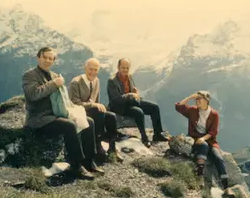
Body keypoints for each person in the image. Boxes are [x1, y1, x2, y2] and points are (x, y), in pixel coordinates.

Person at [22, 47, 104, 179]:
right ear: (38, 58)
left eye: (51, 58)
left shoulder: (55, 75)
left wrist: (75, 110)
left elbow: (63, 99)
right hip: (40, 119)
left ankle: (88, 161)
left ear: (53, 60)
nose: (48, 61)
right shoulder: (30, 75)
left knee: (89, 121)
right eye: (45, 57)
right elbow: (33, 95)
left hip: (56, 115)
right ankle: (76, 166)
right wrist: (54, 84)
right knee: (69, 125)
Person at [68, 57, 124, 162]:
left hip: (93, 111)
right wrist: (92, 105)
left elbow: (96, 100)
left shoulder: (96, 81)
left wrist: (96, 105)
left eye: (95, 70)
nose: (93, 72)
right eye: (90, 69)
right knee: (98, 112)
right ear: (85, 68)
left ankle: (112, 148)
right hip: (78, 113)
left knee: (111, 116)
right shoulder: (75, 83)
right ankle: (97, 145)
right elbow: (74, 104)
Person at [107, 58, 168, 148]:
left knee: (154, 107)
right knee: (138, 112)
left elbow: (132, 90)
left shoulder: (129, 76)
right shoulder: (112, 80)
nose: (125, 70)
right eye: (123, 68)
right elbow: (116, 99)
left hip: (131, 101)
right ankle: (144, 138)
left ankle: (157, 134)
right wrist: (130, 95)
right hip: (119, 106)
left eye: (127, 68)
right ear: (118, 67)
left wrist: (135, 93)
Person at [175, 91, 228, 189]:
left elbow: (213, 132)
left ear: (206, 101)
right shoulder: (193, 110)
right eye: (196, 99)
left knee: (218, 157)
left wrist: (203, 138)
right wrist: (190, 97)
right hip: (194, 139)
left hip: (209, 140)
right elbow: (179, 107)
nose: (197, 101)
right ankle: (200, 176)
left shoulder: (214, 114)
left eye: (199, 99)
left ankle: (226, 186)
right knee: (203, 145)